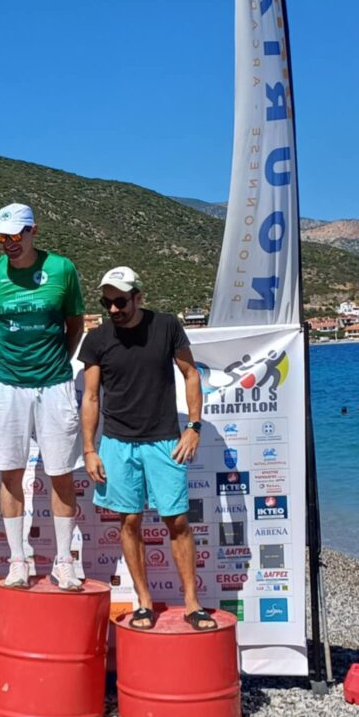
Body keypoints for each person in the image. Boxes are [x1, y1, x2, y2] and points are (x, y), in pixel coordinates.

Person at [79, 267, 214, 631]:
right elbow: (90, 397)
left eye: (120, 301)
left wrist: (194, 427)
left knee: (178, 521)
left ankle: (192, 603)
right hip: (117, 443)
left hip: (164, 440)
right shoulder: (96, 339)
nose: (113, 309)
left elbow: (191, 374)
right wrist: (89, 449)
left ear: (138, 297)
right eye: (107, 302)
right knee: (129, 521)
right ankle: (143, 602)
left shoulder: (166, 325)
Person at [0, 202, 86, 591]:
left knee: (60, 473)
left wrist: (55, 362)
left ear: (32, 231)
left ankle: (64, 560)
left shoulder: (62, 268)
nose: (8, 242)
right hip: (8, 385)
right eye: (1, 237)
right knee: (10, 473)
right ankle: (17, 560)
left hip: (55, 384)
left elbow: (75, 325)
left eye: (14, 235)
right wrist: (11, 363)